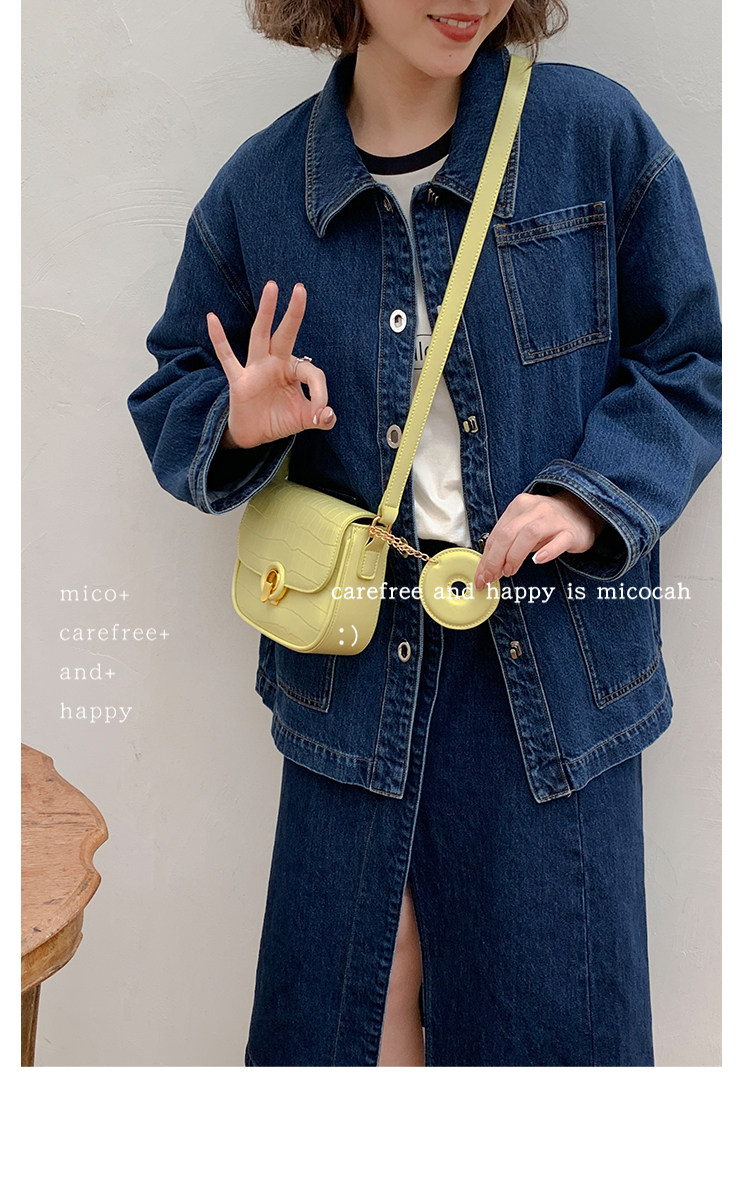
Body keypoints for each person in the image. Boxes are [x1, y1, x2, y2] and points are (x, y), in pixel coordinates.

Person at [127, 1, 721, 1066]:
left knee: (553, 1050)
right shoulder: (262, 191)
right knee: (348, 1039)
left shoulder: (591, 135)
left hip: (550, 679)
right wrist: (239, 423)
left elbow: (687, 361)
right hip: (352, 684)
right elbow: (172, 390)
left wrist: (591, 495)